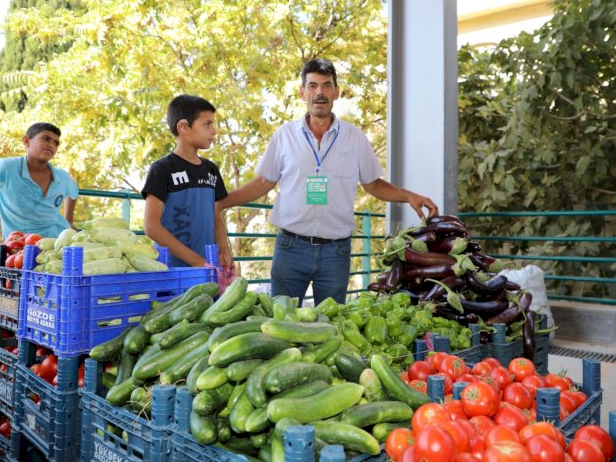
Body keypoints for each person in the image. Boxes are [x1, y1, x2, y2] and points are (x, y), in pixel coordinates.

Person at [219, 58, 438, 304]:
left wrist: (409, 196)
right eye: (312, 86)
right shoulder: (284, 136)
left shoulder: (355, 138)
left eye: (326, 85)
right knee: (281, 323)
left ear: (336, 91)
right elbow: (263, 182)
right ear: (302, 92)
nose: (319, 92)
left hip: (336, 252)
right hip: (291, 248)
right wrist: (223, 202)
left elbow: (373, 184)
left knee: (331, 326)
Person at [142, 94, 234, 270]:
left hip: (207, 272)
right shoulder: (162, 169)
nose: (214, 130)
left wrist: (224, 251)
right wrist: (196, 262)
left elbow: (216, 219)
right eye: (207, 124)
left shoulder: (211, 170)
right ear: (183, 127)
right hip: (171, 272)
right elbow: (151, 226)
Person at [0, 122, 79, 239]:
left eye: (56, 143)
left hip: (57, 242)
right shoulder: (6, 167)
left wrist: (69, 221)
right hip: (19, 243)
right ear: (26, 141)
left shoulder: (62, 176)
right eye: (46, 139)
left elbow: (73, 193)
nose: (51, 145)